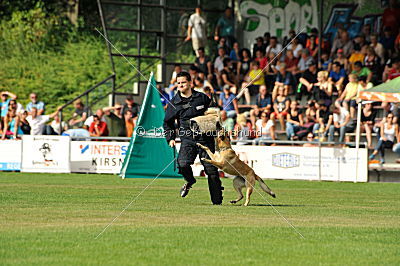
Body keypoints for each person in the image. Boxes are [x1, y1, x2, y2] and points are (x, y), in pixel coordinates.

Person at [163, 71, 223, 204]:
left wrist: (217, 129)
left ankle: (217, 202)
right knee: (183, 164)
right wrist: (171, 138)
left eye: (183, 82)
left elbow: (214, 114)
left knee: (211, 171)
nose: (180, 85)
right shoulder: (174, 103)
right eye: (178, 83)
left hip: (205, 139)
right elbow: (167, 122)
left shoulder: (202, 98)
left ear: (190, 83)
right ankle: (190, 180)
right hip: (187, 139)